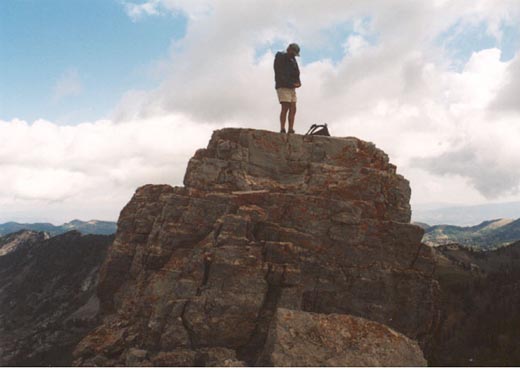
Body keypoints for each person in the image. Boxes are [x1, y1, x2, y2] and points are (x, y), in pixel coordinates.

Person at [274, 43, 301, 134]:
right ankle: (282, 128)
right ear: (289, 49)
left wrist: (298, 82)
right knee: (285, 106)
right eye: (293, 53)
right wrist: (291, 83)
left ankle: (290, 129)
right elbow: (280, 73)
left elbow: (297, 72)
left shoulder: (293, 60)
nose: (294, 55)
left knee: (293, 107)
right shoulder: (280, 57)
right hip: (283, 86)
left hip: (292, 87)